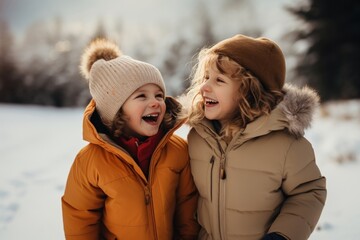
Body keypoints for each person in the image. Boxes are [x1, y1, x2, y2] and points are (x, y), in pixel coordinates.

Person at [180, 34, 327, 240]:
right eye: (206, 77)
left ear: (249, 91)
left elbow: (308, 192)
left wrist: (283, 235)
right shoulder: (199, 137)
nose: (204, 87)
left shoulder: (286, 144)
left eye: (219, 80)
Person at [62, 38, 200, 240]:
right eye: (141, 96)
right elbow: (80, 217)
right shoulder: (90, 162)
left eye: (159, 95)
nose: (155, 103)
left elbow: (187, 208)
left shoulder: (177, 150)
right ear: (115, 110)